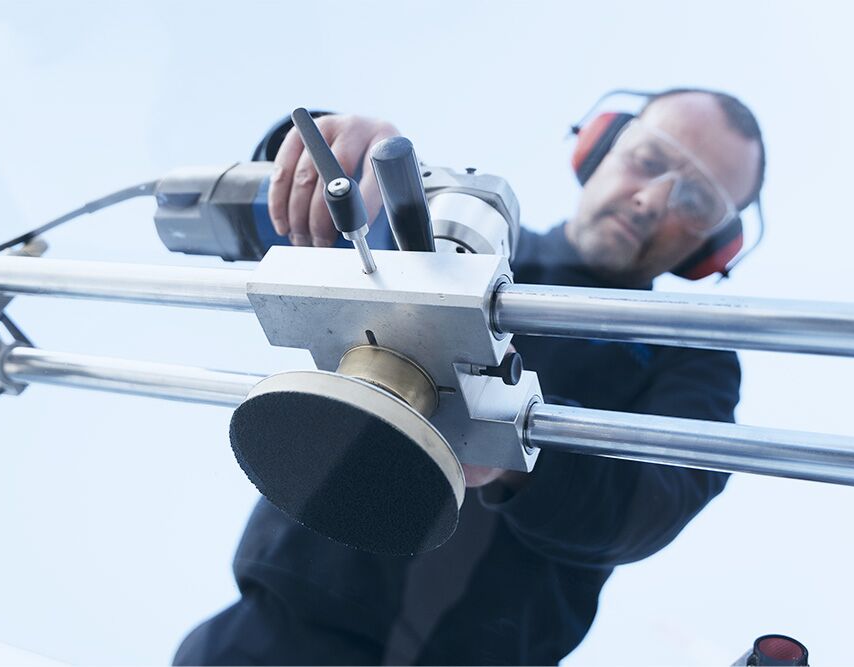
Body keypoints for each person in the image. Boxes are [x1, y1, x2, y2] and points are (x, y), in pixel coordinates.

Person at [174, 88, 766, 665]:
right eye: (650, 160)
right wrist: (329, 152)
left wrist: (512, 445)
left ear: (711, 249)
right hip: (273, 637)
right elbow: (317, 220)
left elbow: (651, 503)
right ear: (599, 145)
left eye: (696, 202)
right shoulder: (452, 243)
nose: (653, 200)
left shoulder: (691, 356)